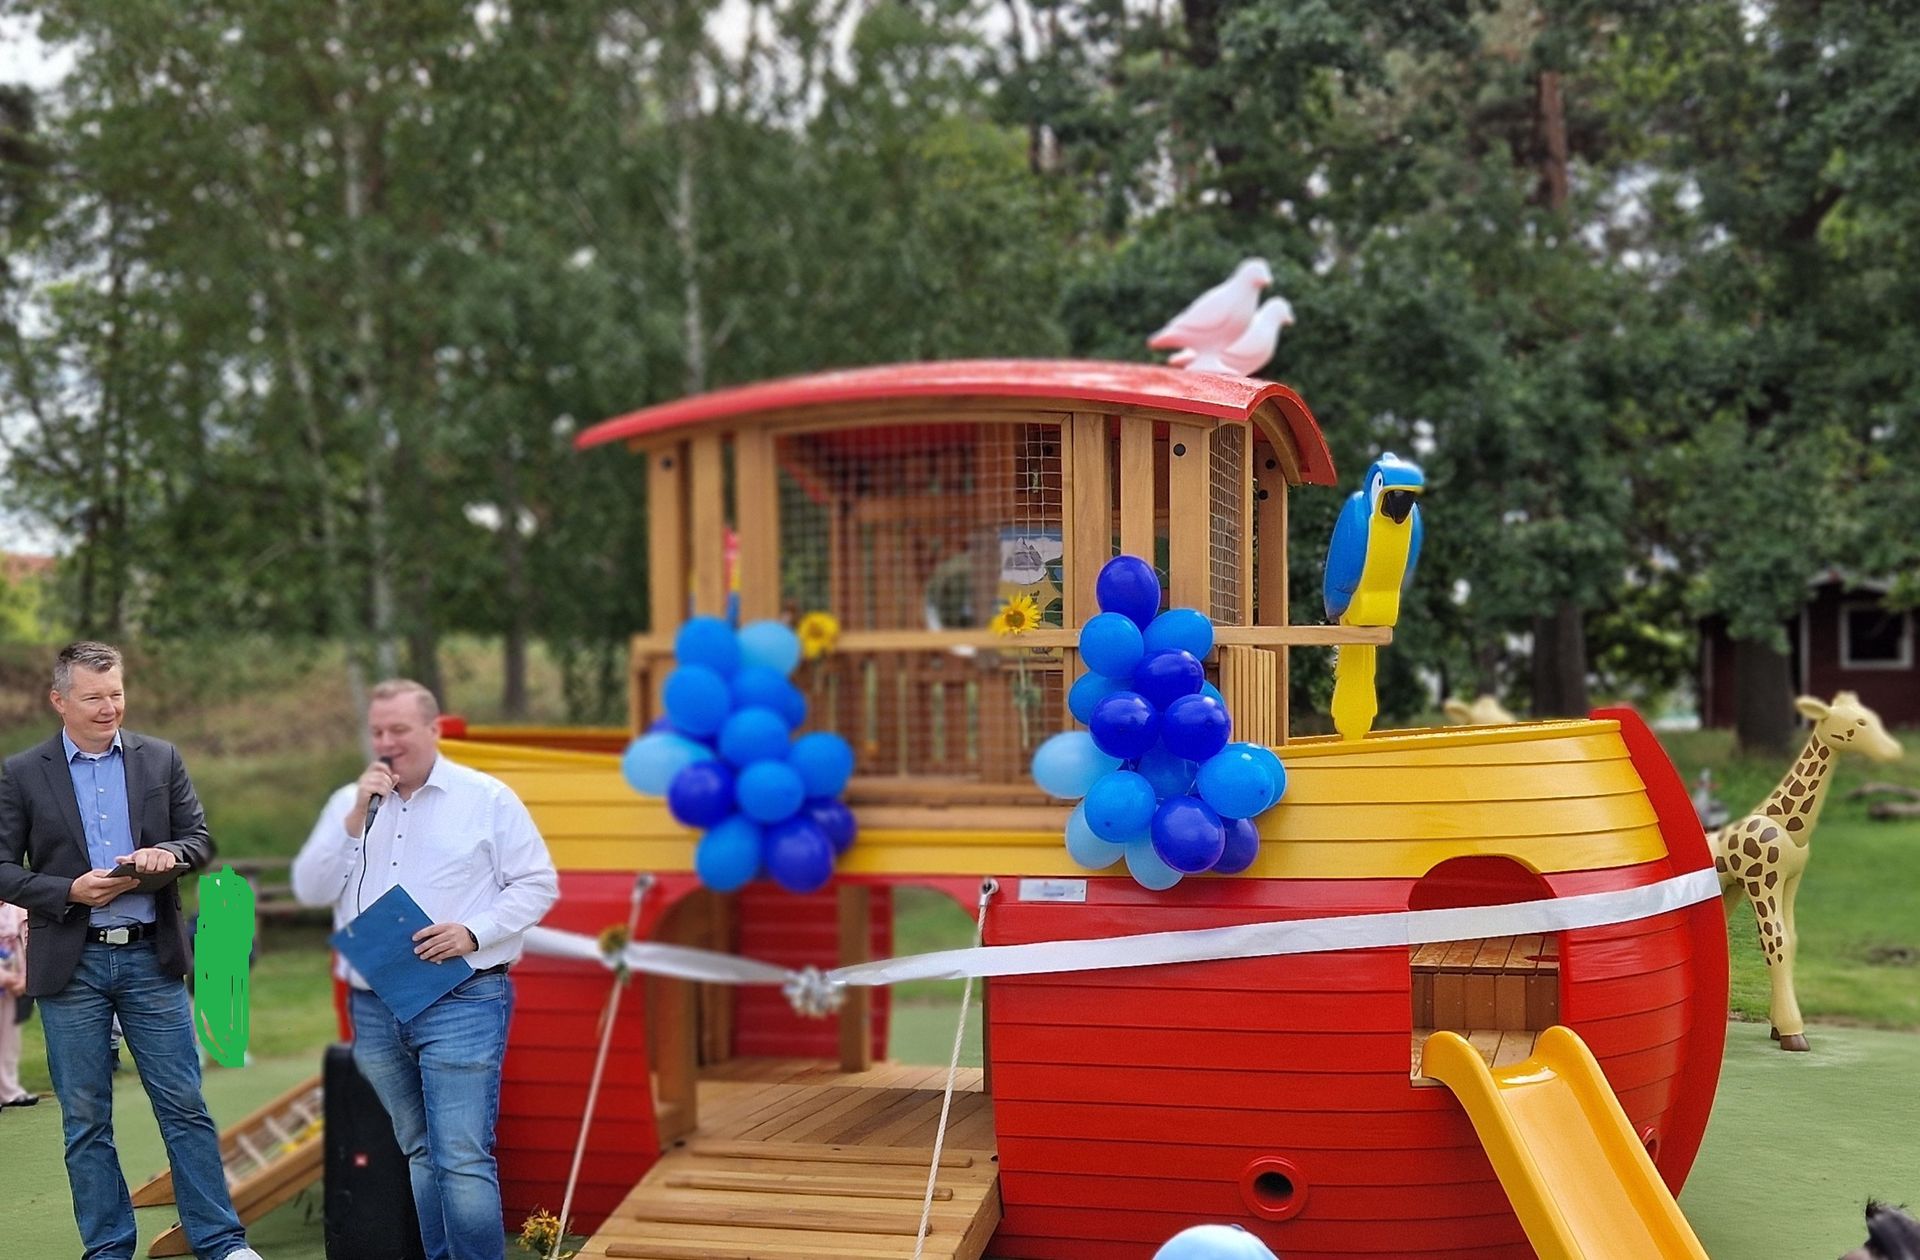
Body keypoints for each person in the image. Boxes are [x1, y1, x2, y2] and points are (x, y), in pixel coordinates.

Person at [0, 640, 264, 1260]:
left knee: (185, 1105)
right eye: (93, 697)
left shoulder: (161, 758)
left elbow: (199, 840)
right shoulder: (21, 772)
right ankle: (108, 1249)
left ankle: (221, 1243)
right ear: (59, 700)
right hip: (71, 965)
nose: (108, 707)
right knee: (85, 1118)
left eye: (116, 694)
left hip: (152, 958)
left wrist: (166, 854)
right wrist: (69, 890)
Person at [292, 679, 558, 1260]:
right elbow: (310, 888)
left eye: (400, 730)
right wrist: (354, 816)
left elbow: (538, 884)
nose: (387, 742)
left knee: (460, 1157)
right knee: (418, 1150)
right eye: (377, 731)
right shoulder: (349, 802)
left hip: (463, 997)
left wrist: (473, 932)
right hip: (374, 1003)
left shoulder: (486, 798)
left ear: (433, 730)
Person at [0, 895, 37, 1108]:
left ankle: (9, 1092)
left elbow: (27, 944)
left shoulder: (16, 909)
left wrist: (23, 978)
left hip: (13, 986)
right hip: (5, 979)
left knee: (9, 1041)